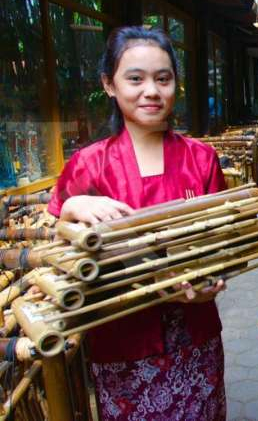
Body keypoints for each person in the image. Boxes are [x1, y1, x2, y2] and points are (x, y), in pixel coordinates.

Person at [47, 26, 227, 420]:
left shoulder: (202, 159)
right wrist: (73, 206)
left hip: (194, 337)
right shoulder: (88, 164)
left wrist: (213, 281)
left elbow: (222, 244)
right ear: (109, 85)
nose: (151, 90)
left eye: (163, 79)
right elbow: (58, 245)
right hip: (122, 342)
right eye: (135, 79)